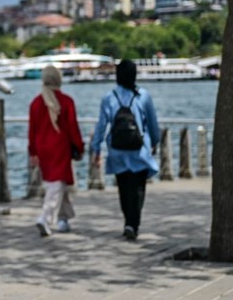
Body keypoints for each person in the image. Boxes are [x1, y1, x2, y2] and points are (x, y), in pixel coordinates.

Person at [90, 58, 160, 241]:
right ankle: (132, 223)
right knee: (138, 188)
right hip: (139, 149)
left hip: (117, 150)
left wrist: (95, 147)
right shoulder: (143, 95)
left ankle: (128, 221)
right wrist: (156, 141)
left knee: (123, 187)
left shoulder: (109, 97)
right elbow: (152, 122)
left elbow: (101, 126)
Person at [28, 65, 84, 236]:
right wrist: (80, 146)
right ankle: (45, 218)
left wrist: (33, 152)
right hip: (60, 146)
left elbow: (32, 130)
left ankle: (64, 218)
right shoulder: (66, 101)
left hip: (42, 147)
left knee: (59, 183)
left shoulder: (36, 103)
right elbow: (73, 127)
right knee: (57, 183)